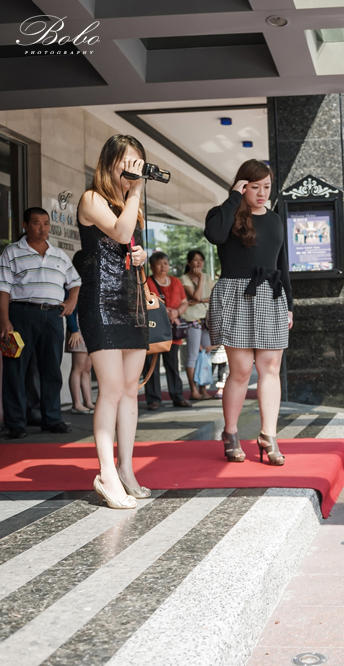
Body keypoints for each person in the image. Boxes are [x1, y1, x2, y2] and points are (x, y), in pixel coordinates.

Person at [75, 134, 150, 510]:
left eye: (138, 164)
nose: (133, 171)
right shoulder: (92, 199)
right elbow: (119, 232)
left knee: (130, 389)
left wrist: (138, 256)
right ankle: (106, 472)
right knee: (111, 389)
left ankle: (126, 469)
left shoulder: (126, 204)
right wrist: (136, 191)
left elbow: (123, 244)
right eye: (129, 164)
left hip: (129, 301)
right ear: (111, 162)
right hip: (100, 302)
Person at [205, 159, 292, 465]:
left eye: (266, 187)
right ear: (242, 185)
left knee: (270, 368)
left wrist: (289, 305)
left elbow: (283, 265)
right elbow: (214, 235)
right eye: (254, 187)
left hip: (270, 295)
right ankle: (230, 433)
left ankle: (269, 435)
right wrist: (233, 198)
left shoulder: (275, 220)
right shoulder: (224, 215)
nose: (261, 193)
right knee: (241, 370)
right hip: (236, 295)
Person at [0, 207, 81, 438]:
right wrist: (5, 321)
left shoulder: (58, 254)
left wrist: (71, 302)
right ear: (25, 225)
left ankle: (52, 418)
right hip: (21, 314)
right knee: (16, 370)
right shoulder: (12, 252)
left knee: (51, 369)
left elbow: (75, 281)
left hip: (53, 317)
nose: (42, 228)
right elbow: (3, 288)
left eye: (46, 223)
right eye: (36, 223)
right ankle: (16, 423)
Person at [143, 251, 190, 410]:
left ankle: (177, 396)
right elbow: (144, 302)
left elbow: (184, 302)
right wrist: (164, 311)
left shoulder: (176, 282)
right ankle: (153, 399)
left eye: (166, 263)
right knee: (151, 366)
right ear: (151, 266)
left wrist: (176, 312)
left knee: (173, 365)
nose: (163, 267)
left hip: (172, 331)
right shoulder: (147, 282)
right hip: (154, 330)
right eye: (159, 263)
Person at [180, 249, 215, 400]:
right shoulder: (184, 279)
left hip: (206, 319)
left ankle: (203, 388)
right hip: (192, 319)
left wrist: (199, 300)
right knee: (193, 355)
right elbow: (197, 296)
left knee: (206, 353)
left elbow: (212, 297)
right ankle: (193, 390)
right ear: (189, 263)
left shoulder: (208, 277)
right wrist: (200, 280)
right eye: (195, 260)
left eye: (201, 260)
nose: (199, 263)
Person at [65, 280, 94, 415]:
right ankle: (76, 403)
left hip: (89, 327)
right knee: (78, 367)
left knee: (87, 369)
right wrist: (74, 329)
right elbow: (70, 309)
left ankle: (88, 401)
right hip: (78, 328)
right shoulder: (74, 283)